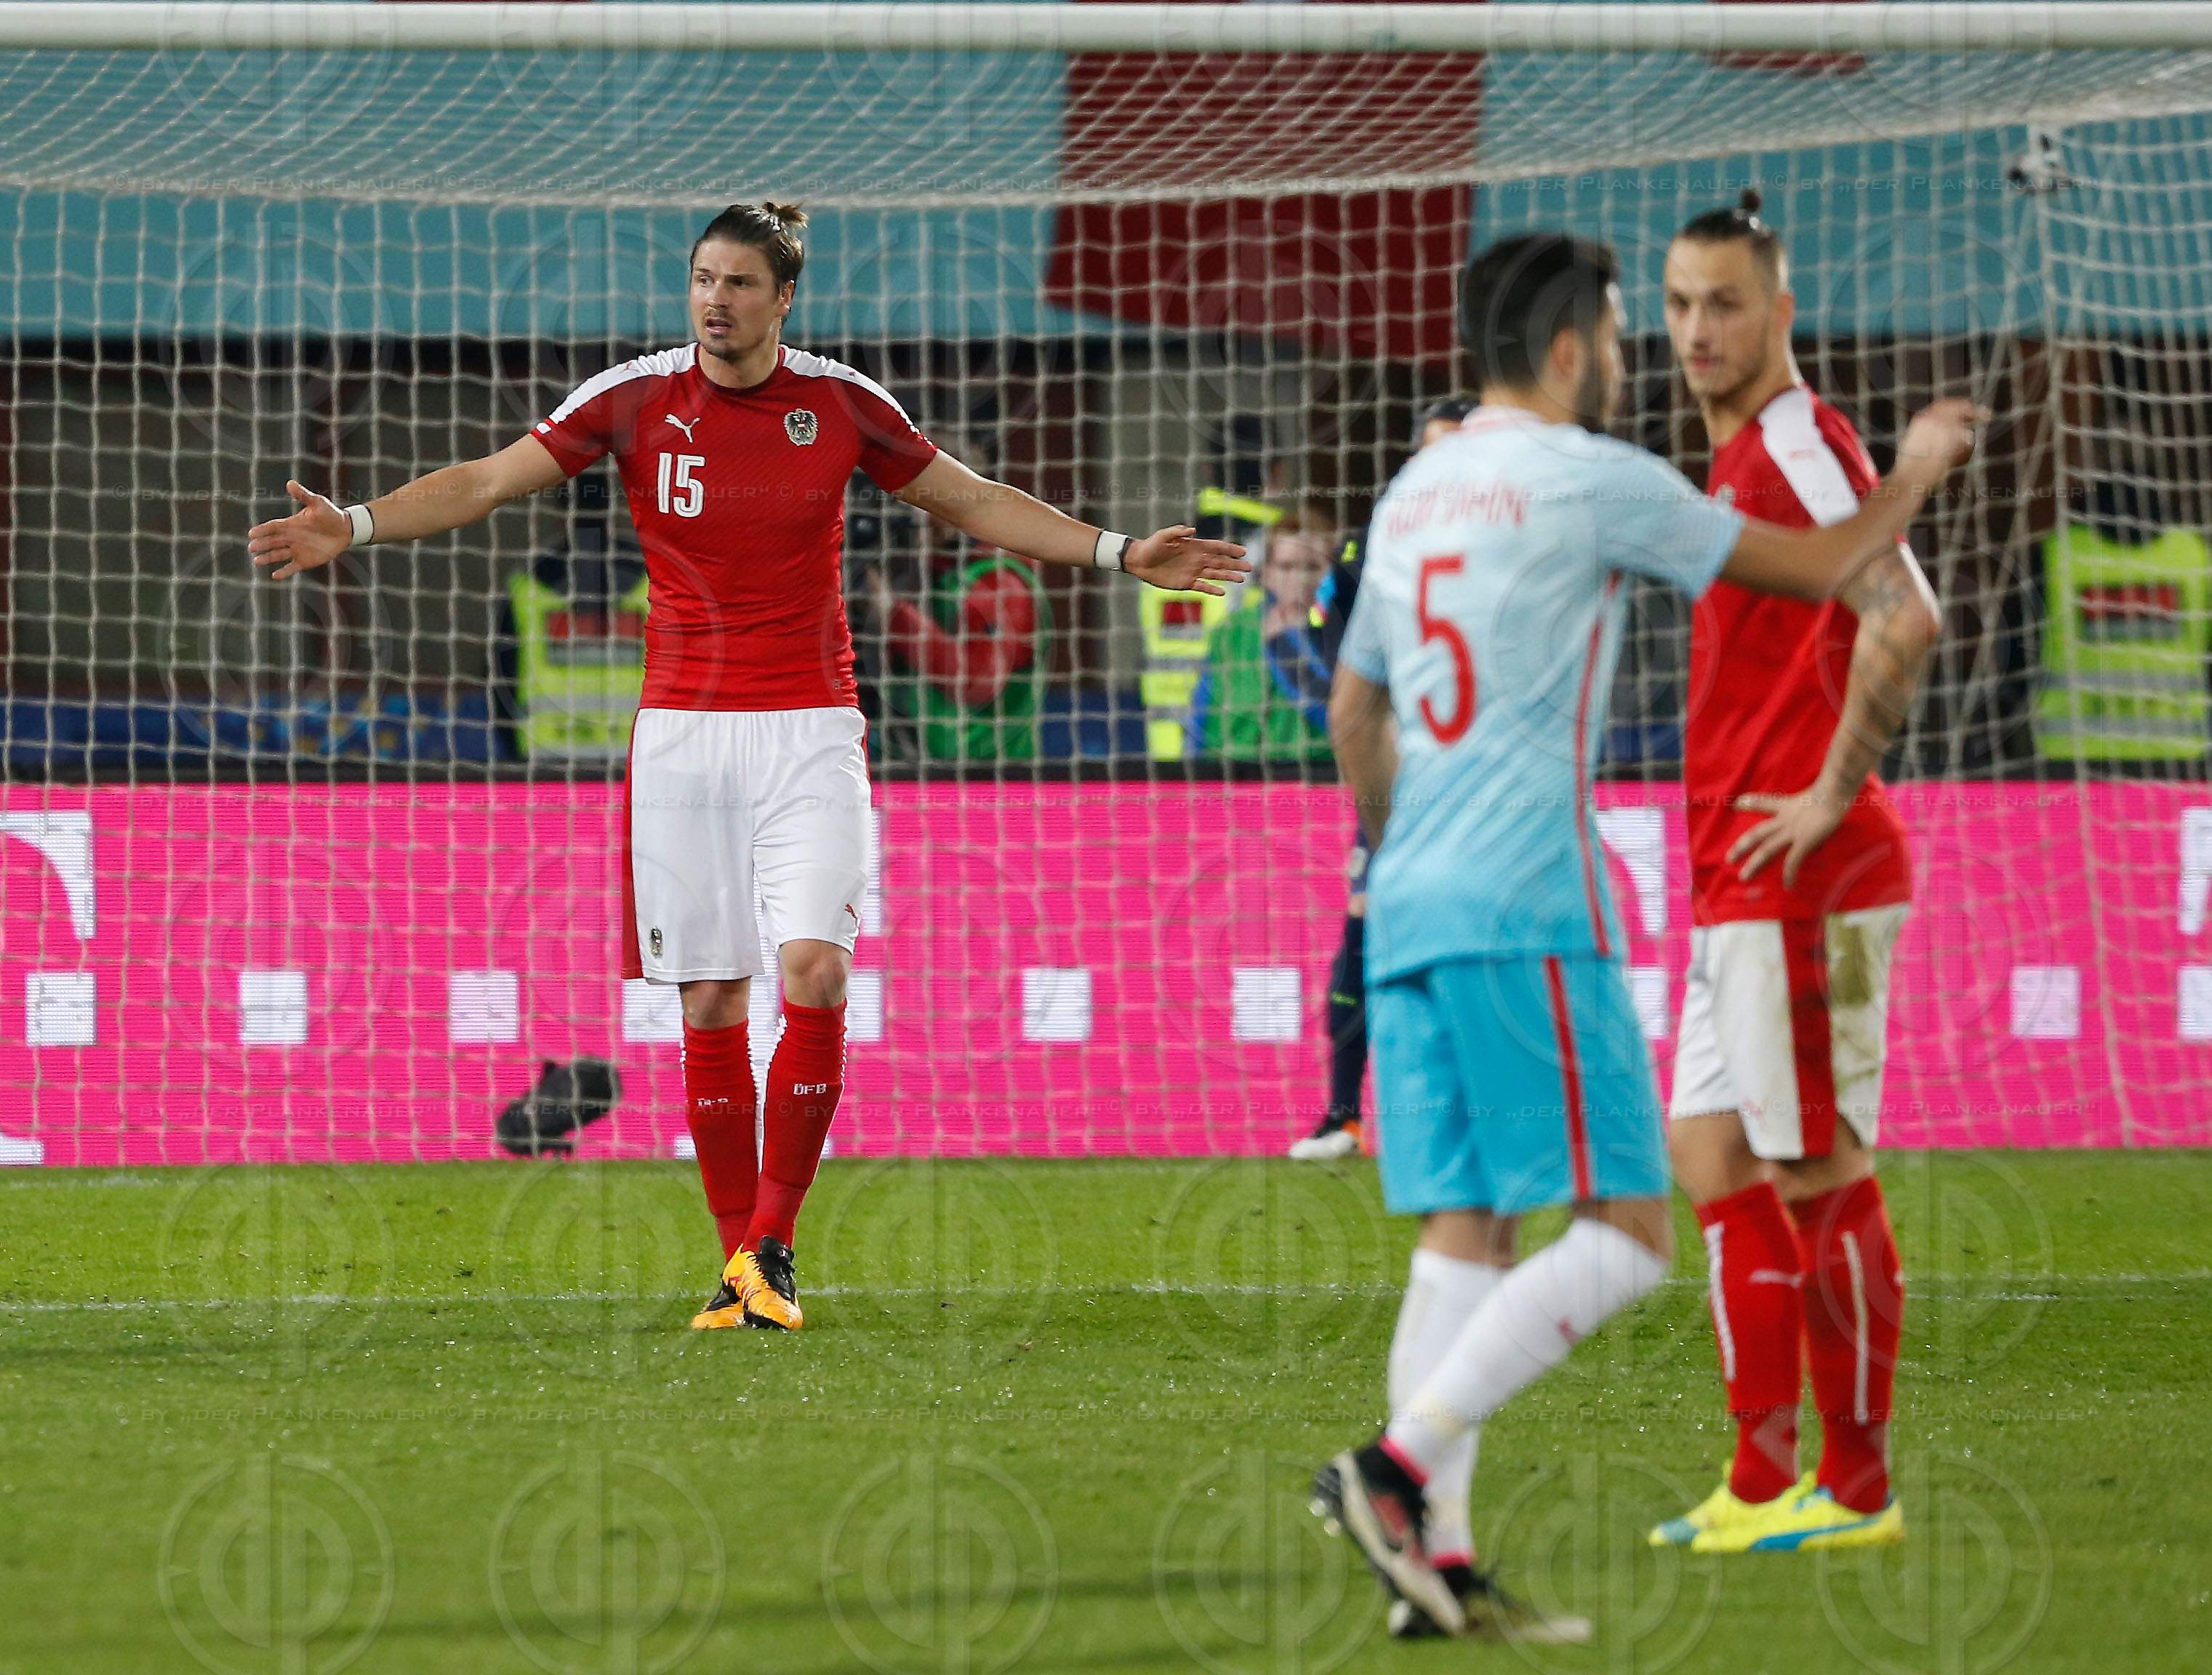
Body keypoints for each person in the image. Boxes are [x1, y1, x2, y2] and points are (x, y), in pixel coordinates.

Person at [247, 201, 1248, 1333]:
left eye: (736, 283)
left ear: (783, 300)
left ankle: (772, 1237)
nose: (713, 300)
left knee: (814, 971)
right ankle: (744, 1266)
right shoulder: (631, 397)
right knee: (713, 997)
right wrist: (360, 525)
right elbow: (486, 479)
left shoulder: (841, 404)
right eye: (700, 280)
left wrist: (1120, 553)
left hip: (812, 728)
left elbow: (967, 500)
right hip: (681, 739)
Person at [1312, 230, 1974, 1640]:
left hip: (1410, 904)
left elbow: (1353, 719)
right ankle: (1396, 1468)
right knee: (1628, 1229)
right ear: (1570, 350)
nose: (1654, 348)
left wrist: (1397, 851)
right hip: (1526, 902)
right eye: (1637, 323)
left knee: (1466, 1234)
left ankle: (1443, 1567)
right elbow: (1849, 567)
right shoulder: (1601, 475)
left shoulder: (1419, 481)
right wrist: (1919, 465)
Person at [1646, 191, 1942, 1552]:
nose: (1697, 330)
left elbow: (1907, 611)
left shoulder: (1790, 447)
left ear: (1779, 311)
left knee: (1817, 1165)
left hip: (1802, 872)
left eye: (1724, 304)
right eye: (1679, 304)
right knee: (1713, 1151)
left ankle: (1858, 1488)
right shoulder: (1737, 460)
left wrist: (1829, 790)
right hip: (1732, 877)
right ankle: (1760, 1484)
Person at [1290, 398, 1473, 1162]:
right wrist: (1369, 713)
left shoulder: (1506, 543)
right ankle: (1343, 1116)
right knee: (1367, 919)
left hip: (1481, 769)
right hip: (1397, 761)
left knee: (1471, 937)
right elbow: (1327, 625)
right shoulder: (1377, 544)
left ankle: (1483, 1110)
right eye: (1431, 452)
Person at [1187, 502, 1337, 763]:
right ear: (1267, 573)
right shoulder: (1234, 631)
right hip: (1236, 782)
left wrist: (1285, 646)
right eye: (1287, 567)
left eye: (1312, 567)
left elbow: (1342, 719)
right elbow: (1202, 714)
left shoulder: (1346, 632)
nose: (1300, 579)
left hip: (1319, 781)